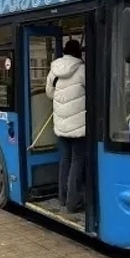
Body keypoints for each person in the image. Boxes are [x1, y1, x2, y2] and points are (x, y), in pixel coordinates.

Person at [46, 39, 86, 213]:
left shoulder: (54, 70)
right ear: (78, 52)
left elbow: (49, 93)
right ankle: (73, 202)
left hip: (61, 124)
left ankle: (62, 198)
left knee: (65, 160)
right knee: (78, 162)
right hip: (79, 126)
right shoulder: (83, 69)